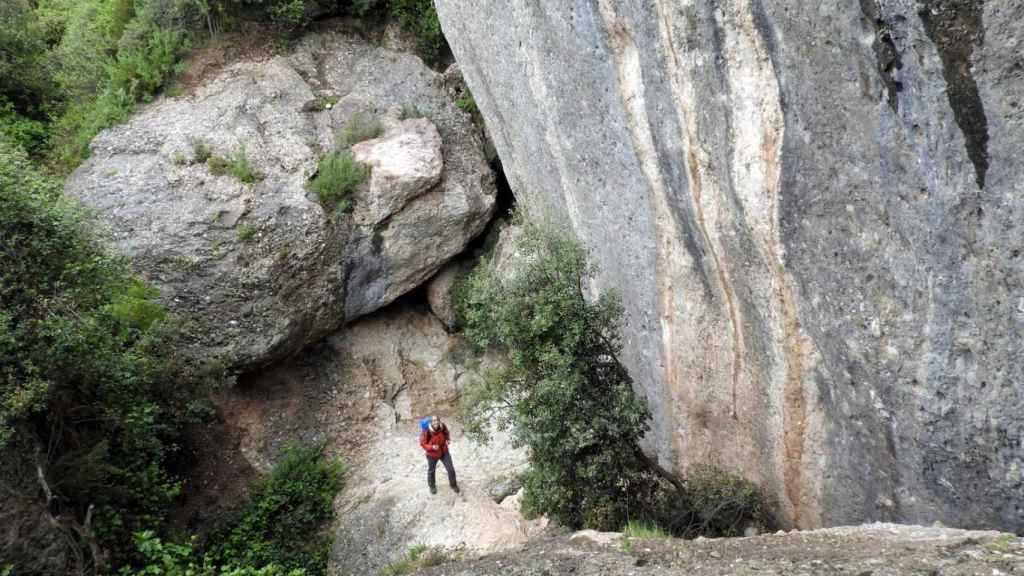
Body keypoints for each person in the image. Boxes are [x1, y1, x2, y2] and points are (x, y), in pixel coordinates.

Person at [419, 415, 459, 495]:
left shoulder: (442, 426)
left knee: (450, 469)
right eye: (433, 421)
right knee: (431, 471)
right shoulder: (426, 431)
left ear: (439, 421)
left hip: (444, 451)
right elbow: (423, 443)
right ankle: (432, 486)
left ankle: (453, 485)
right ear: (431, 422)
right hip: (432, 454)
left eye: (437, 420)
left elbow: (446, 433)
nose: (436, 422)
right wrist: (432, 447)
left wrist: (448, 439)